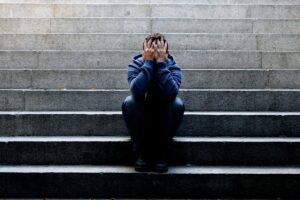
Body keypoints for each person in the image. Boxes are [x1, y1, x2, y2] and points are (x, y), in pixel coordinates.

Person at [121, 33, 185, 173]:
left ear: (166, 52)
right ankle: (142, 152)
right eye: (151, 50)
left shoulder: (173, 67)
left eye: (159, 50)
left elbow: (171, 92)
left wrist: (161, 64)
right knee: (129, 102)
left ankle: (160, 152)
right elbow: (137, 91)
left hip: (163, 117)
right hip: (142, 117)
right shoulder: (135, 65)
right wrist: (148, 62)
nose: (155, 53)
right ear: (143, 52)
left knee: (178, 104)